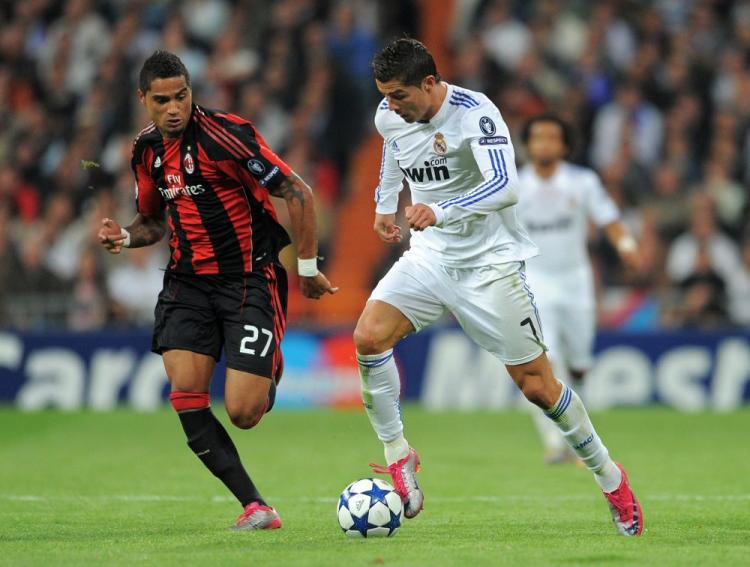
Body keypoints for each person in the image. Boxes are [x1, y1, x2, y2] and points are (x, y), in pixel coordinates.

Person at [354, 39, 643, 536]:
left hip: (490, 267)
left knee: (539, 387)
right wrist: (385, 204)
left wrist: (439, 210)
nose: (391, 106)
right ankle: (398, 456)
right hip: (430, 258)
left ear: (429, 83)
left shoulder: (475, 114)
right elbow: (393, 151)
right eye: (385, 96)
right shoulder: (390, 114)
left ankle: (611, 478)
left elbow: (505, 186)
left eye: (400, 95)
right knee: (368, 338)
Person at [98, 50, 337, 530]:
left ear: (191, 93)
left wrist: (307, 268)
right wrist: (125, 237)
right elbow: (151, 221)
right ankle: (255, 506)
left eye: (181, 96)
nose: (173, 108)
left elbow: (297, 192)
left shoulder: (227, 135)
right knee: (186, 393)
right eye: (162, 99)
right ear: (143, 99)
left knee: (244, 412)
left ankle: (266, 370)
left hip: (248, 278)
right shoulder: (145, 150)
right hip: (187, 283)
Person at [516, 113, 642, 464]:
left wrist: (628, 246)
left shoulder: (582, 182)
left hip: (575, 282)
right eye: (538, 137)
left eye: (552, 137)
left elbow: (609, 219)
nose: (545, 143)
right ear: (528, 144)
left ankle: (576, 432)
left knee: (580, 364)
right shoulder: (515, 185)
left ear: (565, 145)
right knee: (547, 364)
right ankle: (556, 444)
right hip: (535, 282)